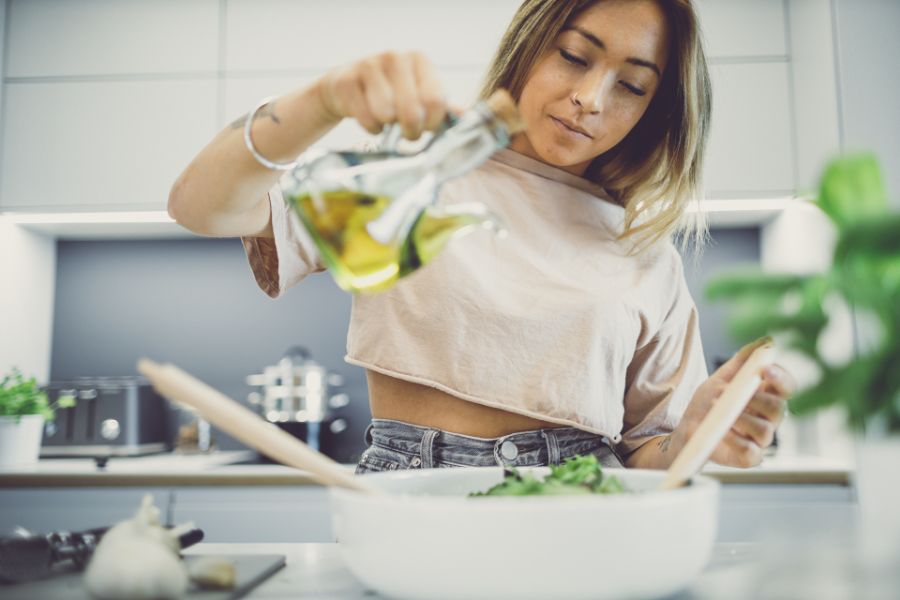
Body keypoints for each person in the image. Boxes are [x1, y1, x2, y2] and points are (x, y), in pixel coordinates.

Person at [169, 0, 796, 474]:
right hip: (408, 497)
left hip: (583, 508)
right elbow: (200, 207)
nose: (588, 98)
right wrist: (324, 99)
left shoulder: (644, 252)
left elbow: (646, 453)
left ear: (654, 112)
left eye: (631, 85)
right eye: (575, 56)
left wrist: (693, 438)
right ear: (530, 45)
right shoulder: (411, 176)